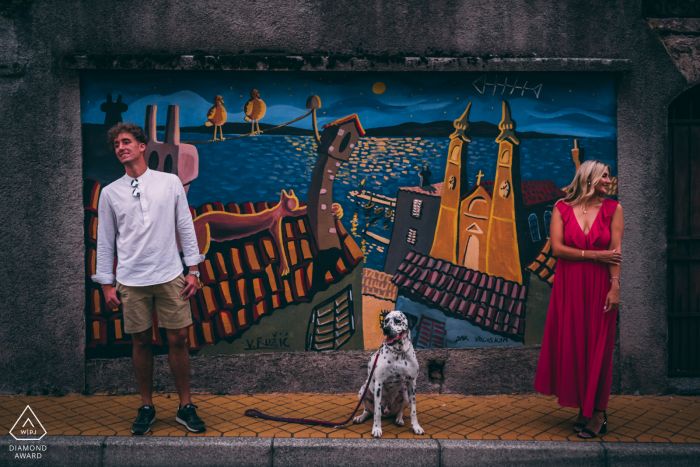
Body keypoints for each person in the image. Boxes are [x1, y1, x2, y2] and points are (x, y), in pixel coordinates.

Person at [91, 122, 206, 435]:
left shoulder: (169, 183)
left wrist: (193, 269)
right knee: (140, 341)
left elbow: (185, 225)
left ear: (142, 146)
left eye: (126, 141)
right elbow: (105, 239)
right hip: (130, 279)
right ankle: (146, 406)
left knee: (178, 339)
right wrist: (106, 282)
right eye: (116, 145)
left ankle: (185, 406)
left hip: (170, 275)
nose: (121, 148)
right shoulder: (110, 192)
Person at [534, 159, 623, 439]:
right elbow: (558, 249)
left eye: (608, 176)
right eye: (605, 176)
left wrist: (615, 287)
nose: (609, 181)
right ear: (590, 178)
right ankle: (585, 408)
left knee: (599, 346)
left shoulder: (614, 209)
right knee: (575, 343)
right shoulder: (562, 208)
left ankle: (598, 413)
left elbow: (616, 252)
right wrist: (595, 255)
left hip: (600, 286)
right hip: (569, 284)